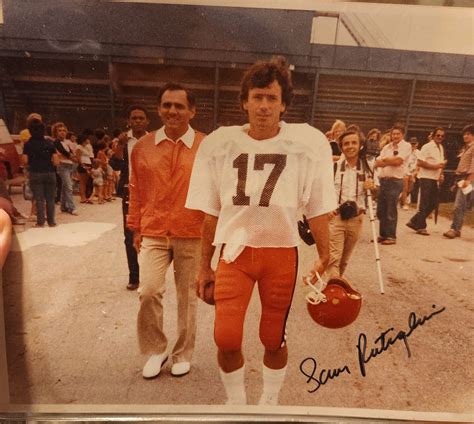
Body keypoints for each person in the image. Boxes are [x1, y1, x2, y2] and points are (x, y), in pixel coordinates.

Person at [186, 58, 336, 405]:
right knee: (225, 336)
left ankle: (270, 400)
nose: (264, 106)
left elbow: (316, 207)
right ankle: (236, 403)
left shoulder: (305, 144)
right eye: (257, 97)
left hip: (280, 253)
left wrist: (326, 255)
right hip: (235, 254)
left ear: (284, 104)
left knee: (272, 336)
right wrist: (203, 265)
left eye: (271, 98)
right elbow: (210, 214)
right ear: (244, 101)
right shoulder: (222, 143)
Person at [127, 83, 206, 379]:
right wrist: (135, 227)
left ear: (192, 111)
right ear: (159, 109)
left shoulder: (205, 145)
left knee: (187, 296)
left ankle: (183, 353)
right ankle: (155, 350)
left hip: (191, 231)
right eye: (167, 105)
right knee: (147, 290)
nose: (172, 111)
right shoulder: (143, 146)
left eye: (179, 106)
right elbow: (135, 189)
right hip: (154, 231)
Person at [325, 129, 375, 278]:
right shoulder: (333, 167)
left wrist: (372, 187)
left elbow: (376, 193)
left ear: (360, 145)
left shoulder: (368, 167)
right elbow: (324, 190)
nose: (350, 146)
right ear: (341, 147)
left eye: (354, 142)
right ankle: (332, 291)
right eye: (346, 144)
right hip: (336, 217)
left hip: (356, 218)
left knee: (344, 261)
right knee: (334, 258)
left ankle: (335, 289)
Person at [115, 105, 149, 291]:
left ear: (147, 121)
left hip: (151, 192)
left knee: (151, 235)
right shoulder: (123, 140)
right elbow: (116, 162)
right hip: (130, 191)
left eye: (140, 118)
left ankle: (151, 276)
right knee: (130, 235)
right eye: (134, 118)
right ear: (129, 121)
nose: (137, 121)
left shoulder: (153, 140)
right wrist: (120, 144)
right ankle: (134, 277)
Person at [374, 124, 411, 245]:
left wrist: (385, 161)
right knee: (381, 209)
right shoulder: (387, 147)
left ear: (402, 135)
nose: (395, 136)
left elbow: (398, 161)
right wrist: (388, 161)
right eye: (393, 134)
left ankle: (391, 236)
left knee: (390, 209)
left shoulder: (406, 146)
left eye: (397, 134)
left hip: (395, 181)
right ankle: (383, 234)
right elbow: (377, 162)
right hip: (383, 180)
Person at [406, 128, 446, 235]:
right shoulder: (427, 147)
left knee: (433, 203)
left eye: (442, 136)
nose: (440, 138)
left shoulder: (441, 148)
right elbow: (420, 162)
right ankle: (421, 227)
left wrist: (441, 173)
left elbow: (440, 163)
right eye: (438, 135)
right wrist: (435, 166)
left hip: (435, 178)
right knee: (424, 202)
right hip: (426, 177)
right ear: (433, 135)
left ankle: (414, 221)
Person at [22, 119, 58, 228]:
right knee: (50, 199)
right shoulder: (49, 143)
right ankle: (51, 222)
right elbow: (56, 161)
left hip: (35, 173)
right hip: (50, 172)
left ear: (30, 131)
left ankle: (40, 222)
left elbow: (25, 161)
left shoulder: (28, 144)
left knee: (39, 199)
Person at [443, 124, 474, 239]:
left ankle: (454, 229)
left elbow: (473, 165)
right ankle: (456, 228)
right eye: (464, 134)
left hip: (468, 179)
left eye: (468, 134)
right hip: (462, 178)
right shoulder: (466, 148)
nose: (465, 136)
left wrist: (469, 180)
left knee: (459, 205)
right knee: (462, 205)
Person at [52, 122, 78, 215]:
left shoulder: (66, 142)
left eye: (63, 130)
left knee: (64, 187)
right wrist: (71, 157)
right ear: (55, 132)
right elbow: (65, 153)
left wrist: (72, 156)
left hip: (69, 165)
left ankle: (64, 206)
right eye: (59, 131)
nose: (62, 132)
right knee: (68, 186)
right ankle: (71, 207)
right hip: (62, 165)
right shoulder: (56, 142)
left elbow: (70, 153)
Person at [400, 137, 420, 210]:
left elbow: (418, 163)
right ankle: (405, 204)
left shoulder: (418, 152)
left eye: (414, 144)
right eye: (412, 144)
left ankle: (402, 200)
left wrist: (415, 172)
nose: (413, 145)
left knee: (410, 189)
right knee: (405, 188)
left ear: (417, 144)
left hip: (413, 172)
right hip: (405, 171)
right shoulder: (406, 151)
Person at [75, 134, 94, 204]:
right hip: (83, 165)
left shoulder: (85, 147)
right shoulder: (79, 147)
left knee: (85, 182)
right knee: (82, 182)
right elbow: (78, 158)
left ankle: (85, 196)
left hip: (88, 164)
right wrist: (83, 166)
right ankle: (82, 197)